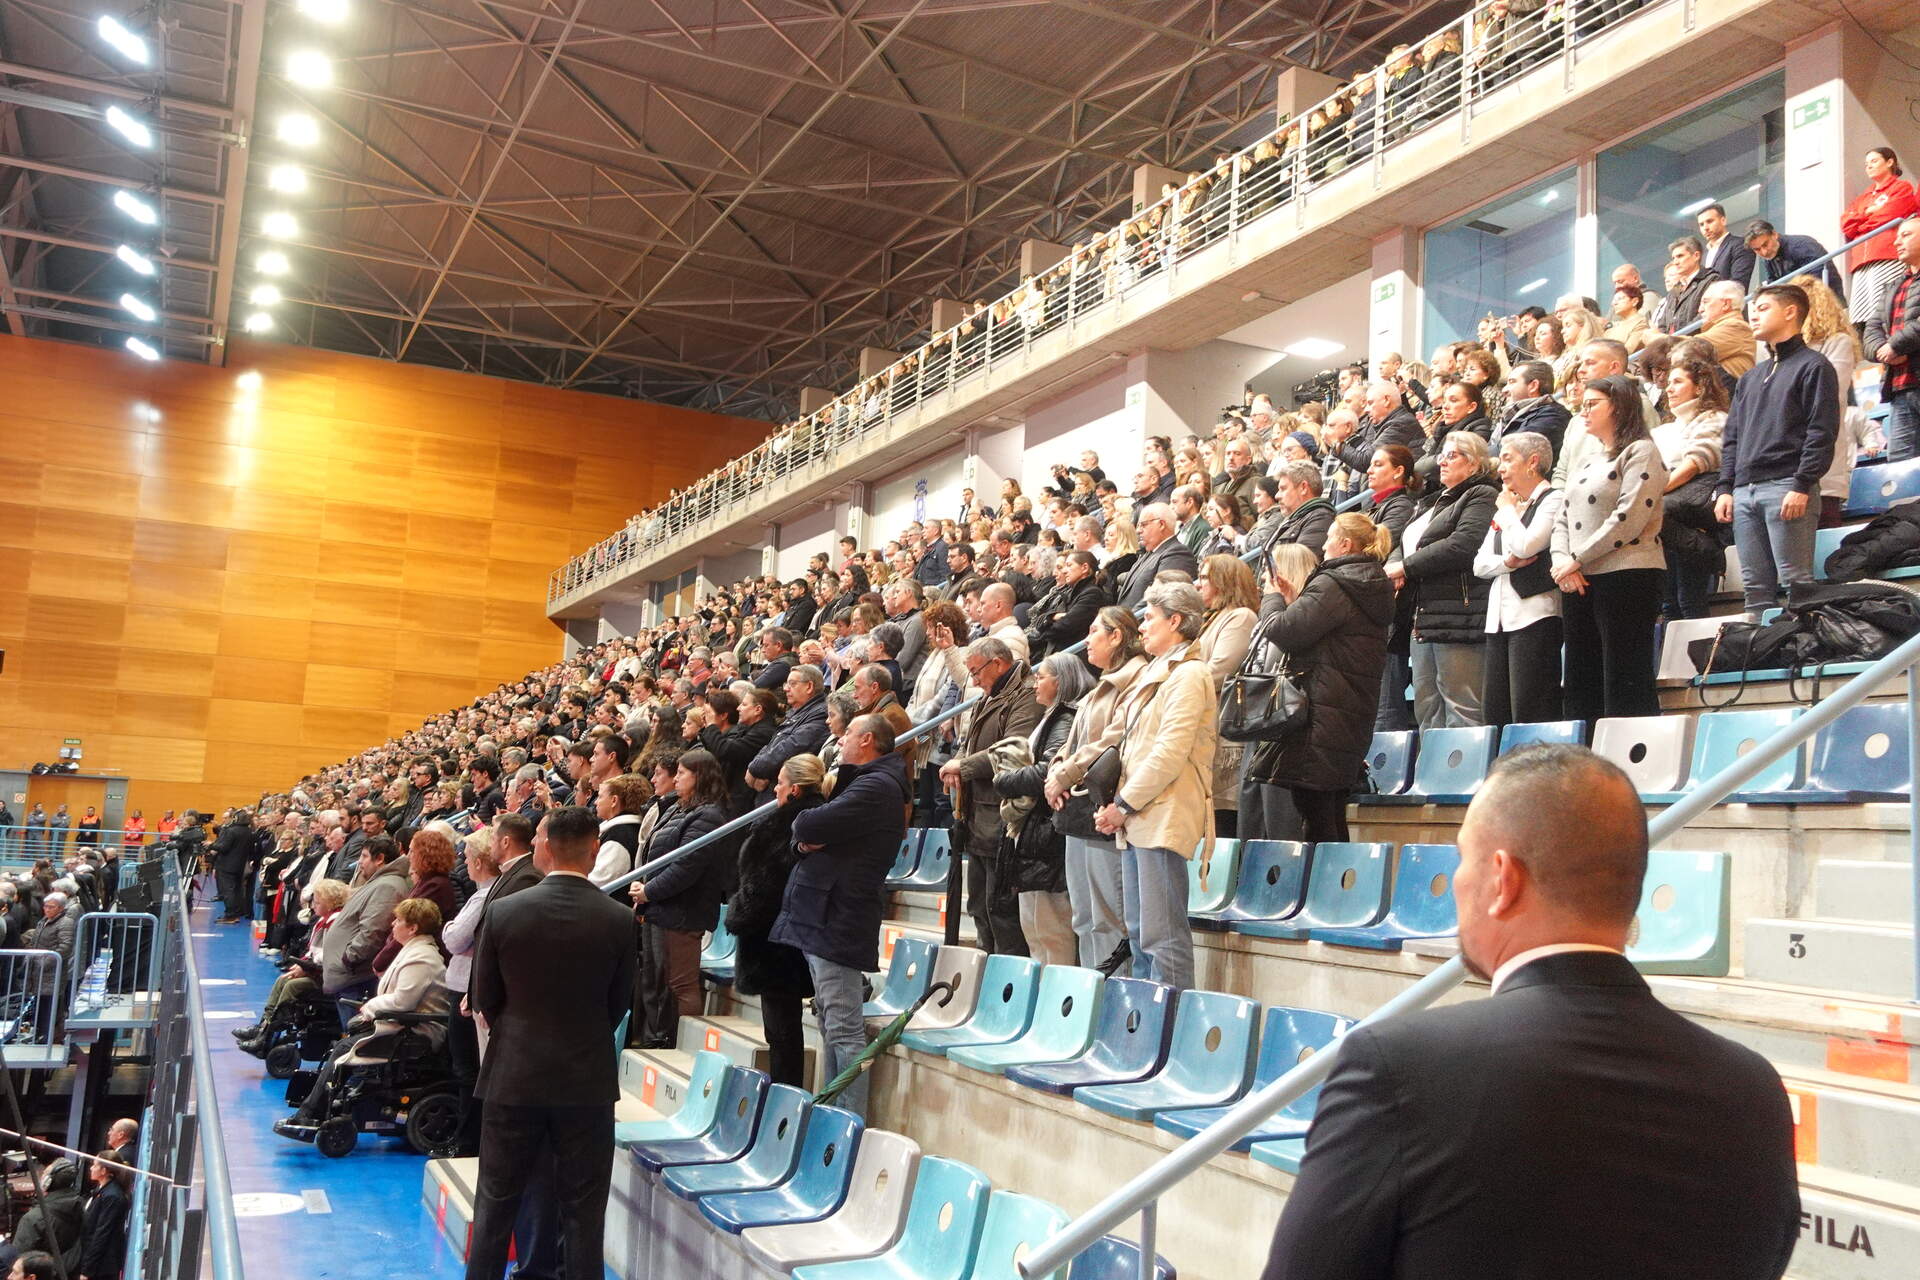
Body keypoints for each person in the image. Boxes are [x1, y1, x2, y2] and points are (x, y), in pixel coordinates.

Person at [1259, 745, 1799, 1280]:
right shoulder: (1752, 1090)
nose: (1458, 886)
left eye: (1462, 859)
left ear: (1502, 880)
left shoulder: (1398, 1068)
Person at [464, 807, 635, 1280]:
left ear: (545, 847)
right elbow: (619, 1004)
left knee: (496, 1201)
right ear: (594, 849)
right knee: (583, 1209)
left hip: (513, 1073)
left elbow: (485, 998)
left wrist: (519, 1032)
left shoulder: (503, 910)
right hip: (586, 1079)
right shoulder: (619, 919)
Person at [773, 714, 911, 1118]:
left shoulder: (876, 786)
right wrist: (804, 841)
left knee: (844, 1030)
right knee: (830, 1025)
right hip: (827, 915)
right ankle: (832, 1114)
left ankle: (848, 1125)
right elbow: (805, 838)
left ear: (867, 740)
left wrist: (802, 828)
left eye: (848, 733)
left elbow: (807, 821)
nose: (841, 738)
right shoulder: (866, 782)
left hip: (839, 916)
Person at [1092, 582, 1216, 991]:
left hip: (1162, 813)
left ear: (1175, 621)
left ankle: (1172, 1033)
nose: (1141, 627)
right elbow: (1130, 744)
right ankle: (1146, 1027)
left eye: (1149, 617)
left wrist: (1122, 804)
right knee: (1141, 934)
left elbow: (1168, 752)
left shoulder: (1190, 674)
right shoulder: (1154, 671)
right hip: (1139, 814)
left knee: (1163, 937)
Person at [1249, 515, 1394, 842]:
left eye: (1329, 537)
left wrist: (1272, 598)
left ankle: (1326, 892)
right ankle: (1338, 891)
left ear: (1345, 544)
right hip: (1346, 713)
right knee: (1329, 811)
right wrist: (1294, 602)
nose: (1323, 544)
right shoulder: (1368, 582)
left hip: (1321, 716)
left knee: (1317, 814)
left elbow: (1284, 631)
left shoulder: (1334, 582)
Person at [275, 898, 449, 1141]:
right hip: (402, 1026)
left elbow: (402, 1002)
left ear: (414, 928)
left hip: (418, 1034)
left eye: (399, 920)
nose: (393, 924)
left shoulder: (423, 959)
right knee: (342, 1046)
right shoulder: (414, 952)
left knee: (344, 1048)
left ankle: (309, 1113)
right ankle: (312, 1108)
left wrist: (369, 1008)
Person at [1714, 284, 1839, 615]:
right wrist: (1726, 487)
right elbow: (1732, 438)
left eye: (1763, 307)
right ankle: (1760, 657)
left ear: (1790, 312)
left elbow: (1821, 431)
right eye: (1753, 308)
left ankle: (1800, 655)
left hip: (1787, 486)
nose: (1753, 314)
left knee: (1795, 582)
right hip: (1744, 492)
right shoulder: (1750, 378)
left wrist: (1802, 483)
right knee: (1754, 589)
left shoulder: (1814, 365)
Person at [1551, 374, 1668, 721]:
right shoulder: (1588, 460)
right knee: (1580, 678)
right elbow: (1562, 515)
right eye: (1582, 405)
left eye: (1592, 404)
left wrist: (1575, 559)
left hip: (1627, 573)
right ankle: (1585, 758)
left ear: (1618, 406)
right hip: (1580, 578)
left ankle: (1629, 761)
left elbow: (1629, 518)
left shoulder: (1641, 451)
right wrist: (1562, 562)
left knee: (1625, 676)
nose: (1583, 412)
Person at [1045, 607, 1148, 971]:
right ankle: (1091, 995)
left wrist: (1066, 774)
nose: (1087, 639)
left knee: (1109, 917)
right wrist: (1055, 772)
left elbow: (1110, 741)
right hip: (1078, 812)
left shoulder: (1133, 679)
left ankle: (1113, 1002)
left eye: (1094, 631)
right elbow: (1071, 743)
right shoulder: (1098, 686)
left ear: (1117, 636)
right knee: (1083, 917)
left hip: (1105, 810)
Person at [984, 652, 1093, 967]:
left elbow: (1048, 770)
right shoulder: (1051, 717)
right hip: (1034, 836)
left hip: (1048, 836)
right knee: (1035, 931)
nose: (1034, 683)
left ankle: (1059, 1008)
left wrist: (1005, 781)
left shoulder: (1065, 718)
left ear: (1060, 681)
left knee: (1052, 934)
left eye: (1041, 676)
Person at [726, 755, 824, 1089]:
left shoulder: (787, 824)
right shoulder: (806, 818)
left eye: (780, 782)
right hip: (786, 936)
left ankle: (789, 1099)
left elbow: (765, 884)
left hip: (774, 941)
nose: (776, 789)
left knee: (782, 1031)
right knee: (782, 1031)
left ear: (794, 788)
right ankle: (787, 1094)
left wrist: (738, 913)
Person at [940, 638, 1043, 955]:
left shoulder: (1025, 695)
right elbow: (968, 743)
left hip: (1003, 818)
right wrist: (958, 762)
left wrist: (964, 766)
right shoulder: (987, 695)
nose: (973, 680)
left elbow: (1014, 749)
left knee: (1002, 914)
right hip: (977, 817)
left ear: (998, 663)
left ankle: (1007, 990)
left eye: (976, 671)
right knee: (981, 909)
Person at [1390, 431, 1498, 729]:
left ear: (1475, 464)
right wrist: (1396, 565)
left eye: (1453, 455)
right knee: (1428, 709)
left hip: (1459, 613)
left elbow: (1464, 544)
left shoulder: (1483, 494)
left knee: (1463, 707)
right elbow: (1403, 543)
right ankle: (1431, 776)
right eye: (1442, 456)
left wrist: (1405, 568)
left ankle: (1464, 776)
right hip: (1423, 616)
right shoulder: (1434, 500)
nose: (1443, 462)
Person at [628, 750, 731, 1048]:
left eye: (682, 773)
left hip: (681, 912)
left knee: (678, 984)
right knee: (655, 983)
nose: (676, 778)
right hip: (659, 908)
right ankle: (656, 1038)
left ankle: (680, 1046)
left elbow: (687, 866)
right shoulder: (679, 808)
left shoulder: (708, 814)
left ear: (699, 776)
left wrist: (650, 890)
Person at [1473, 432, 1564, 727]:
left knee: (1530, 708)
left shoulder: (1553, 499)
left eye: (1508, 459)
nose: (1500, 468)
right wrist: (1508, 562)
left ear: (1533, 462)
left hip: (1535, 615)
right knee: (1495, 713)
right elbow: (1479, 564)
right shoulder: (1509, 507)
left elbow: (1528, 545)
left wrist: (1509, 512)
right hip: (1498, 619)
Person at [435, 828, 497, 1159]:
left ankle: (467, 1140)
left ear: (476, 861)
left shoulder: (484, 895)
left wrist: (451, 930)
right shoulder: (483, 893)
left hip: (465, 988)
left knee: (466, 1069)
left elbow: (455, 939)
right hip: (462, 983)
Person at [1656, 355, 1730, 618]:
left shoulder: (1714, 418)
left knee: (1689, 601)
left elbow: (1695, 463)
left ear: (1699, 387)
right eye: (1669, 383)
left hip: (1699, 503)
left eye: (1678, 382)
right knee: (1669, 604)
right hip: (1675, 521)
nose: (1669, 388)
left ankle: (1700, 658)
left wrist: (1654, 492)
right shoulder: (1668, 427)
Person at [1194, 554, 1258, 839]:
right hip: (1207, 727)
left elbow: (1220, 669)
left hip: (1225, 733)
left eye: (1205, 578)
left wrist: (1180, 685)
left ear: (1225, 582)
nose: (1199, 584)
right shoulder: (1212, 619)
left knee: (1224, 825)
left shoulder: (1240, 617)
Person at [321, 835, 410, 1006]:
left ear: (380, 859)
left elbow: (373, 930)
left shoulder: (387, 886)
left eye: (364, 856)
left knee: (352, 1028)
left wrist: (350, 958)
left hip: (355, 978)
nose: (359, 861)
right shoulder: (379, 882)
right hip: (350, 975)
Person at [1841, 146, 1918, 328]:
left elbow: (1891, 214)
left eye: (1874, 161)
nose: (1869, 166)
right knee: (1860, 315)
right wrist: (1869, 214)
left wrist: (1861, 224)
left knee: (1885, 309)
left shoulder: (1901, 187)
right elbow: (1846, 224)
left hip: (1887, 256)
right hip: (1861, 261)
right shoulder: (1863, 197)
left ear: (1890, 162)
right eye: (1867, 164)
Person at [1863, 215, 1920, 462]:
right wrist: (1881, 350)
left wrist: (1895, 345)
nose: (1897, 242)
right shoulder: (1893, 285)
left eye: (1906, 235)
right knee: (1899, 473)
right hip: (1900, 390)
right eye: (1897, 236)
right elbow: (1871, 330)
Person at [1117, 503, 1199, 609]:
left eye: (1143, 524)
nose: (1138, 530)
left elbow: (1160, 599)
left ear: (1161, 524)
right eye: (1138, 526)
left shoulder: (1176, 553)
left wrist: (1128, 621)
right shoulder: (1149, 553)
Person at [1742, 218, 1844, 297]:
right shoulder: (1769, 257)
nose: (1763, 252)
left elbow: (1817, 278)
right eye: (1757, 249)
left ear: (1774, 234)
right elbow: (1774, 282)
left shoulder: (1802, 245)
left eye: (1765, 244)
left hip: (1827, 302)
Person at [589, 773, 651, 889]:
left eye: (600, 796)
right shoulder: (620, 830)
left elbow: (597, 882)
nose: (596, 802)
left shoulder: (620, 836)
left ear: (614, 800)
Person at [210, 809, 255, 924]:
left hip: (226, 865)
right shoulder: (249, 831)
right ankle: (237, 912)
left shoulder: (231, 831)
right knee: (236, 889)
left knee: (228, 890)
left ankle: (230, 915)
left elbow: (224, 847)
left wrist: (211, 845)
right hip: (240, 864)